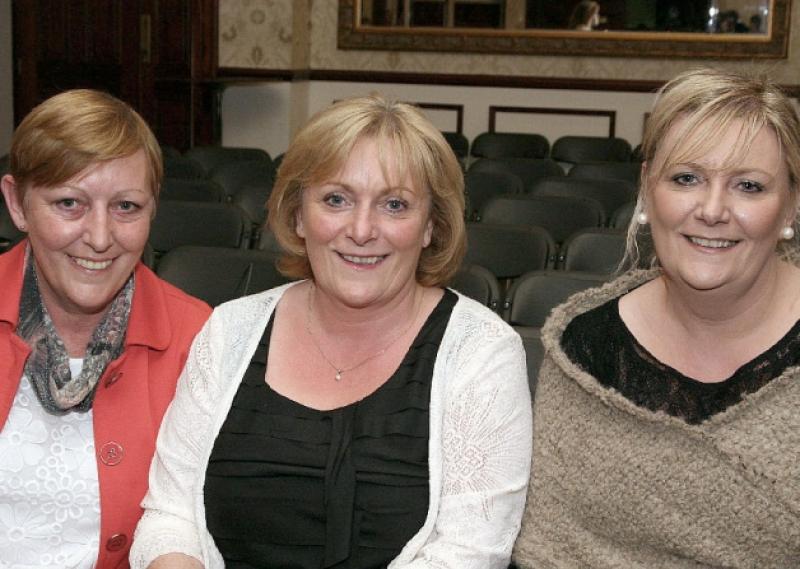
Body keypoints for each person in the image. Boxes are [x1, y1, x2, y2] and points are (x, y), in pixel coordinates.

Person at [130, 94, 532, 568]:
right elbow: (169, 516)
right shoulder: (230, 330)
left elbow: (467, 554)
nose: (361, 230)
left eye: (395, 204)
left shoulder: (482, 353)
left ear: (431, 227)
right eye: (336, 199)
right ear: (299, 213)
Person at [513, 68, 800, 567]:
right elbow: (549, 550)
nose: (712, 210)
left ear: (791, 207)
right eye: (686, 179)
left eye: (749, 186)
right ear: (647, 189)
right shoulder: (583, 351)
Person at [0, 90, 211, 568]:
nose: (99, 238)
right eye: (70, 203)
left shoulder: (202, 341)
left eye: (126, 207)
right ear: (17, 204)